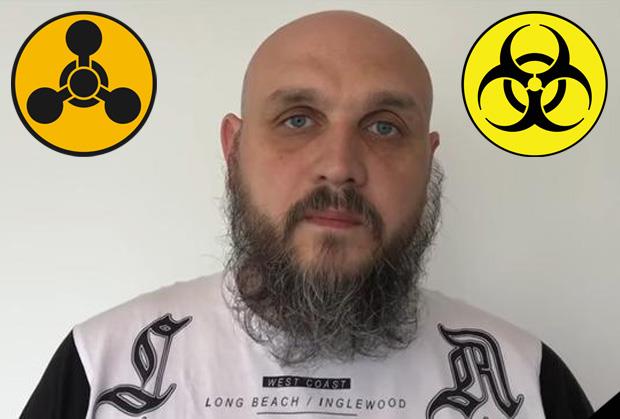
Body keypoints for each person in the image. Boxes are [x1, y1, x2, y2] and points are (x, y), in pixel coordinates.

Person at [20, 10, 593, 419]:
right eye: (298, 119)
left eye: (384, 127)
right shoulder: (103, 367)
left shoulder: (524, 380)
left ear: (428, 162)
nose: (339, 166)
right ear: (234, 150)